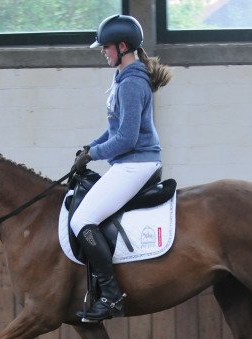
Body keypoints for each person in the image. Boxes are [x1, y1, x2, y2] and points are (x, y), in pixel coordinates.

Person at [70, 14, 172, 322]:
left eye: (106, 47)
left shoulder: (131, 82)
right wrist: (90, 148)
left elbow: (126, 139)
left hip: (136, 163)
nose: (103, 51)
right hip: (129, 161)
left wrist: (94, 155)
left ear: (123, 46)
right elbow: (115, 131)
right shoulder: (123, 77)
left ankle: (111, 296)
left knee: (82, 219)